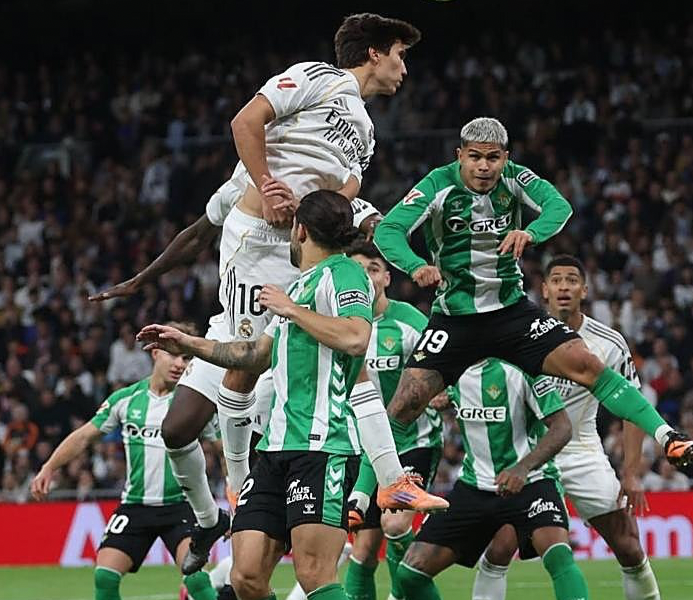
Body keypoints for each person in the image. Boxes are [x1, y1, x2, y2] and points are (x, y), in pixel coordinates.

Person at [91, 15, 434, 573]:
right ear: (374, 52)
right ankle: (234, 490)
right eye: (400, 54)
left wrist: (378, 231)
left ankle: (391, 480)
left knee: (351, 363)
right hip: (258, 246)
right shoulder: (318, 77)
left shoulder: (365, 132)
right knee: (244, 369)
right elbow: (245, 122)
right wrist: (267, 186)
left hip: (307, 252)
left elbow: (343, 198)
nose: (404, 68)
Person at [374, 116, 693, 470]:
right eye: (475, 157)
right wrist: (415, 265)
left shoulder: (516, 178)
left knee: (587, 364)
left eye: (493, 157)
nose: (484, 166)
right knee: (405, 403)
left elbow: (559, 206)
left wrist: (530, 233)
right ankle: (363, 494)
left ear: (505, 157)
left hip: (511, 313)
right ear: (460, 156)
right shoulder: (437, 184)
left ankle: (669, 437)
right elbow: (388, 230)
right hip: (456, 319)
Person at [136, 191, 377, 600]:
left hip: (323, 445)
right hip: (274, 448)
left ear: (300, 230)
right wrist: (188, 343)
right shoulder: (298, 287)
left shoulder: (344, 274)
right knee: (245, 576)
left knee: (314, 575)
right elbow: (253, 355)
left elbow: (356, 337)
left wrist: (290, 309)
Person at [471, 255, 661, 600]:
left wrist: (631, 473)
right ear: (544, 289)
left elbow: (632, 408)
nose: (563, 287)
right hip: (528, 454)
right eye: (556, 280)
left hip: (581, 451)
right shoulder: (520, 333)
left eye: (572, 280)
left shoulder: (608, 342)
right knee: (500, 547)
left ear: (584, 290)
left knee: (629, 546)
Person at [29, 322, 216, 600]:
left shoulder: (194, 404)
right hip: (135, 505)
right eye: (173, 354)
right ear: (155, 352)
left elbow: (224, 447)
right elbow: (84, 436)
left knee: (197, 579)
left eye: (187, 357)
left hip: (182, 505)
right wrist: (49, 467)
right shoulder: (126, 399)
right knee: (105, 576)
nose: (179, 364)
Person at [396, 358, 590, 600]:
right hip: (474, 486)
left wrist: (523, 468)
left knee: (558, 556)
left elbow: (562, 428)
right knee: (410, 573)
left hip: (531, 482)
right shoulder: (453, 368)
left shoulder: (522, 367)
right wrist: (445, 397)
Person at [339, 243, 442, 600]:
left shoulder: (409, 320)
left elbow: (446, 360)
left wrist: (444, 390)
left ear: (386, 277)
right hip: (363, 448)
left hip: (414, 440)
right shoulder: (340, 326)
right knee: (364, 550)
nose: (365, 277)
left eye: (372, 269)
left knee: (395, 523)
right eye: (356, 270)